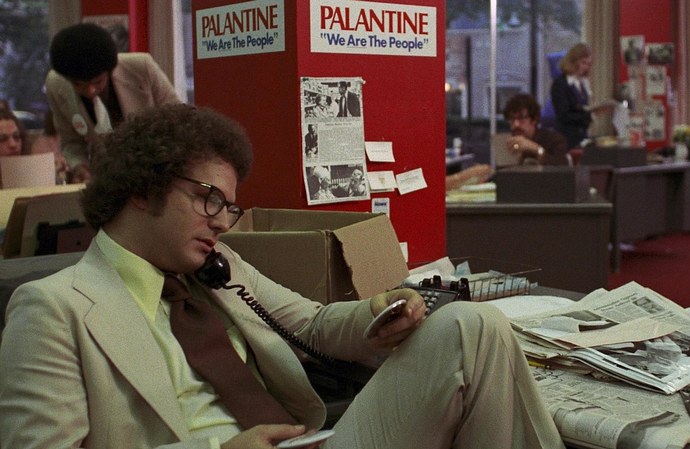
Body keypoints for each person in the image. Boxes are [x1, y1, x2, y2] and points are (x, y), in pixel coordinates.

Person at [0, 104, 564, 449]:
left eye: (229, 208)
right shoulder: (53, 309)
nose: (221, 222)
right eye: (209, 199)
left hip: (310, 442)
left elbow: (313, 325)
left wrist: (376, 312)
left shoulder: (217, 269)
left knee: (472, 326)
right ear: (143, 188)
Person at [46, 22, 181, 182]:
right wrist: (79, 166)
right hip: (105, 175)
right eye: (78, 84)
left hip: (156, 167)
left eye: (98, 82)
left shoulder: (142, 68)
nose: (90, 91)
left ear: (109, 71)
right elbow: (71, 142)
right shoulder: (55, 84)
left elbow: (178, 119)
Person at [550, 43, 613, 150]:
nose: (586, 67)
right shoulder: (560, 83)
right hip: (566, 139)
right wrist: (590, 115)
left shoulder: (582, 83)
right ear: (573, 61)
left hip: (581, 137)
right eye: (583, 63)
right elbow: (563, 115)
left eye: (589, 64)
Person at [502, 93, 568, 165]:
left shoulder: (554, 140)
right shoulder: (506, 141)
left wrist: (537, 149)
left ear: (534, 120)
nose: (516, 124)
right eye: (512, 119)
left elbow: (562, 167)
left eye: (521, 118)